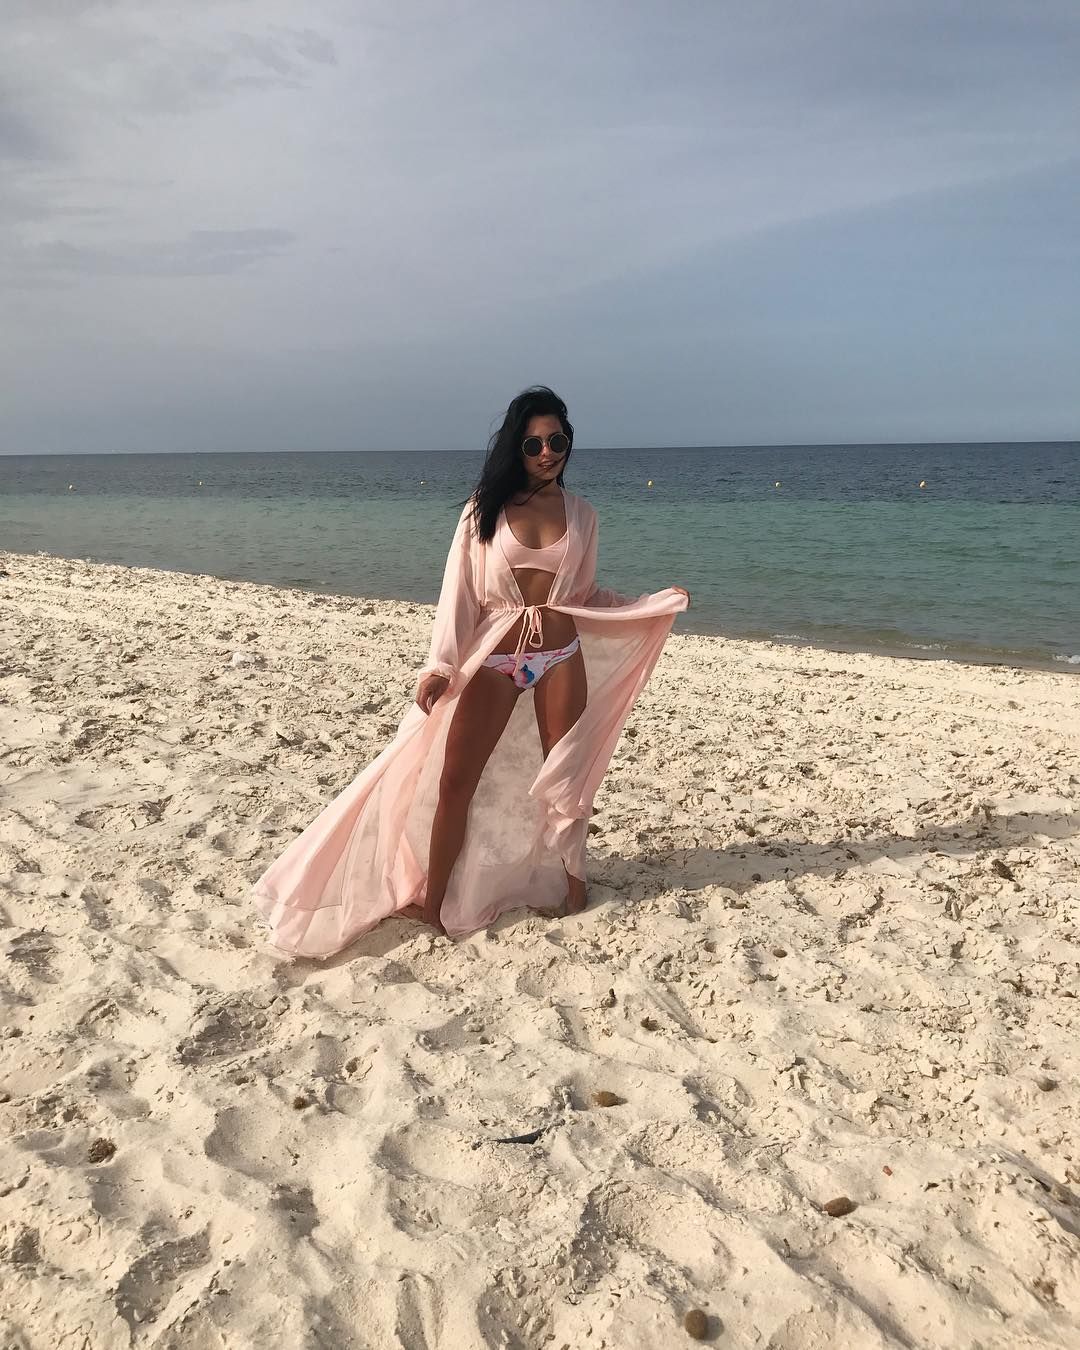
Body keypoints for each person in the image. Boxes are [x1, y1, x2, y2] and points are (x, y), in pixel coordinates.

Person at [252, 386, 689, 957]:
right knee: (456, 782)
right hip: (495, 659)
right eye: (533, 444)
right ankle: (433, 903)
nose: (546, 452)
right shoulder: (484, 510)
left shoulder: (583, 515)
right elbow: (458, 594)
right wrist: (440, 664)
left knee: (568, 780)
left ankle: (574, 889)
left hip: (560, 656)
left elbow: (582, 595)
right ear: (516, 448)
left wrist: (648, 605)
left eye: (556, 441)